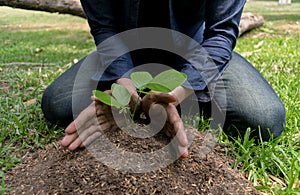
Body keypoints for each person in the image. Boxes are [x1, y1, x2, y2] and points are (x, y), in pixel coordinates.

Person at [41, 0, 286, 158]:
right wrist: (121, 83)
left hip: (197, 51)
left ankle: (180, 97)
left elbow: (221, 34)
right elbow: (105, 27)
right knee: (58, 103)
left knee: (264, 118)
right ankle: (148, 93)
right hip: (125, 52)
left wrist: (177, 94)